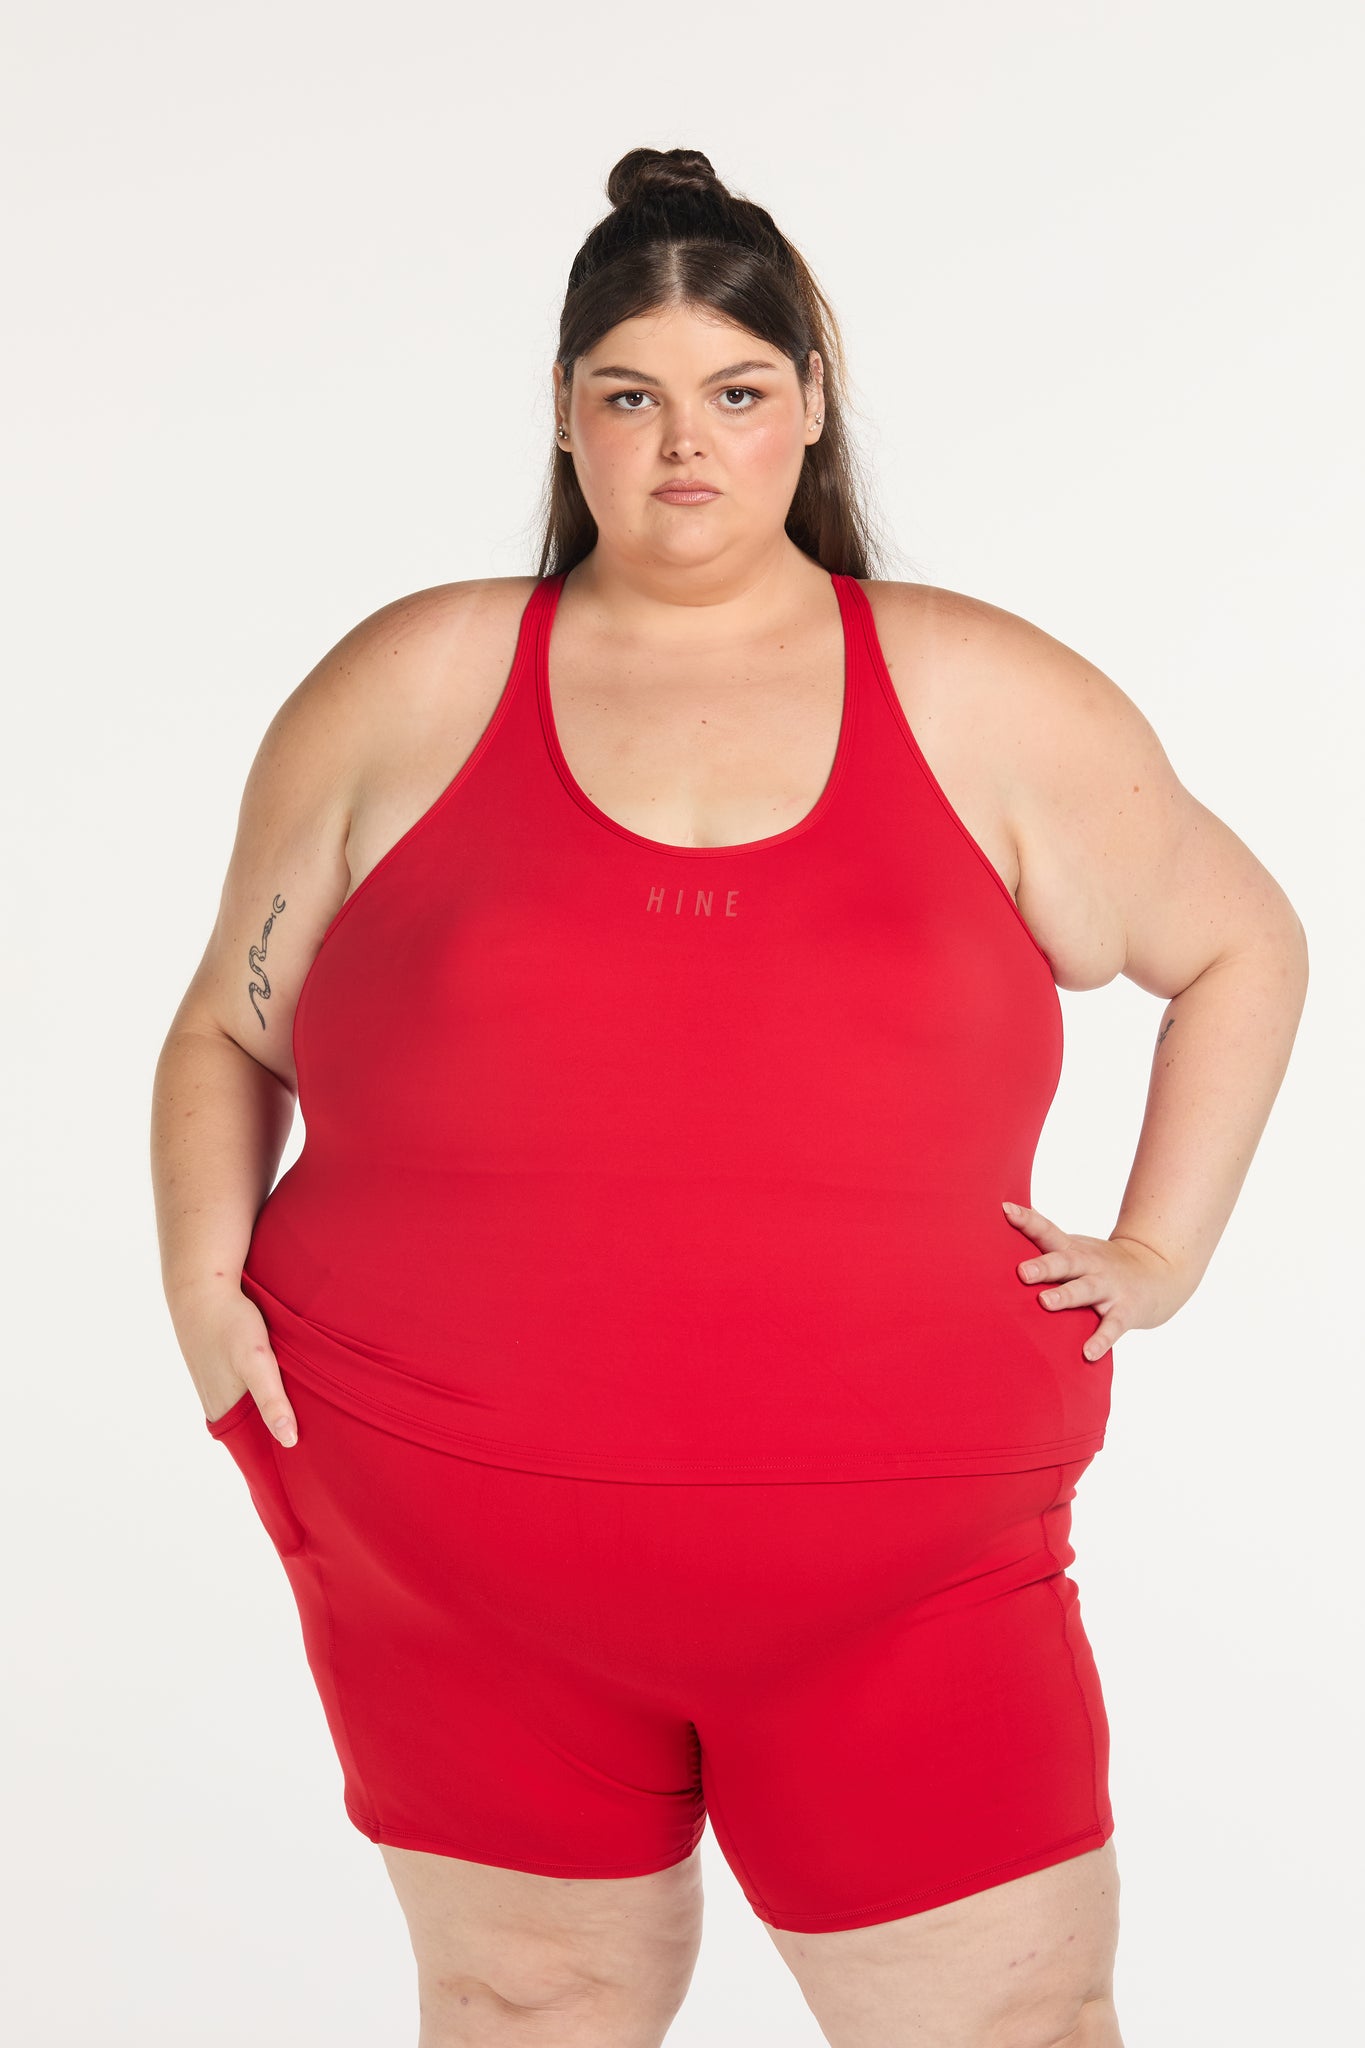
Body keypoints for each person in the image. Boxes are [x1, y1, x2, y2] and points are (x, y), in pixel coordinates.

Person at [150, 145, 1308, 2048]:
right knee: (519, 2009)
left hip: (906, 1579)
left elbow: (1241, 946)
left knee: (1012, 2027)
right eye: (631, 395)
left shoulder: (981, 692)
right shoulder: (415, 680)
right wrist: (206, 1297)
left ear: (810, 405)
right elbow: (227, 1026)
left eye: (736, 391)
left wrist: (1159, 1252)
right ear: (565, 414)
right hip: (449, 1566)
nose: (684, 442)